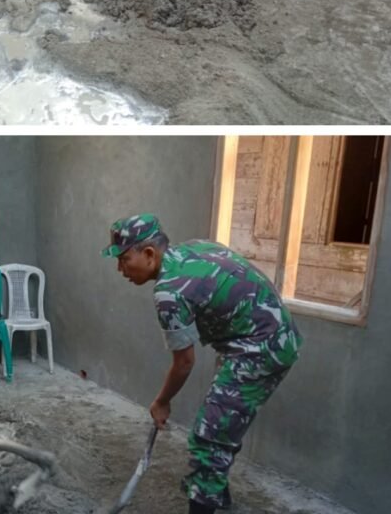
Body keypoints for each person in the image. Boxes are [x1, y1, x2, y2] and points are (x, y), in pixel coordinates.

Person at [102, 214, 303, 514]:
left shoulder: (169, 292)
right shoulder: (192, 249)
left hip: (261, 347)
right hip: (263, 337)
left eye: (124, 259)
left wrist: (162, 401)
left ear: (148, 254)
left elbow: (184, 363)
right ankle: (219, 500)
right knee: (219, 423)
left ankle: (207, 502)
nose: (120, 269)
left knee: (208, 440)